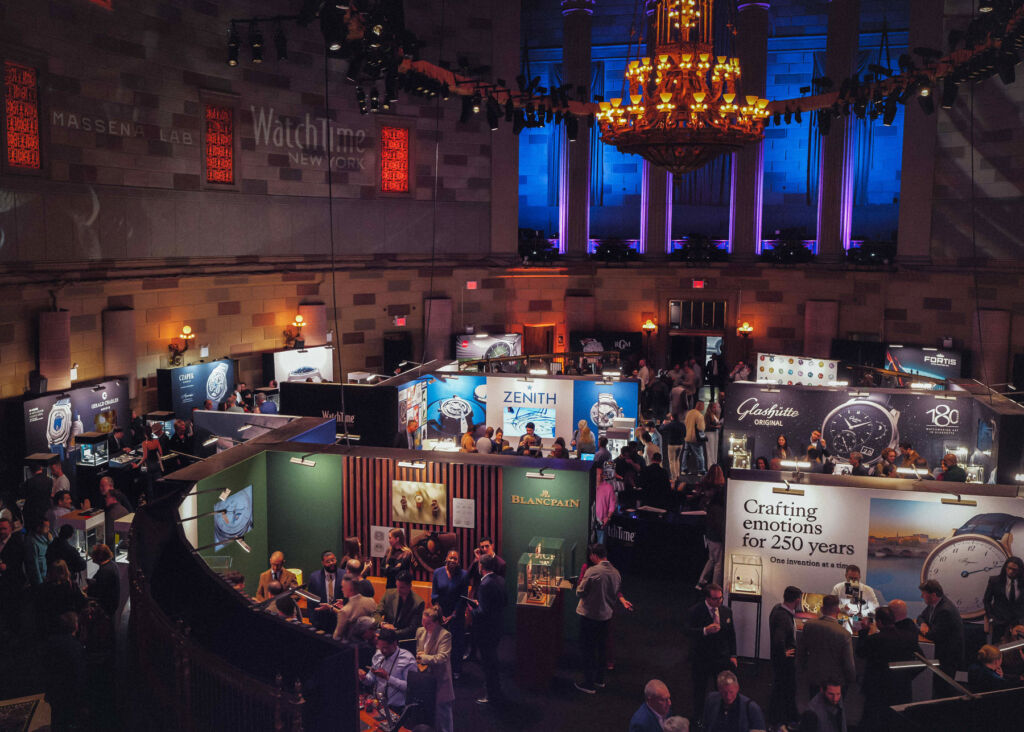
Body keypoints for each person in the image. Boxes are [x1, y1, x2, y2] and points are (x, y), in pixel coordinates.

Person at [574, 543, 631, 694]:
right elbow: (616, 592)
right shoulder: (616, 572)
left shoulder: (592, 571)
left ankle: (588, 683)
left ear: (594, 555)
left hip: (589, 616)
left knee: (587, 649)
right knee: (601, 649)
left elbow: (579, 592)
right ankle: (599, 680)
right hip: (606, 617)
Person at [856, 606, 922, 730]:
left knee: (872, 721)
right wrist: (907, 676)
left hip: (877, 689)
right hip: (901, 688)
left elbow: (860, 652)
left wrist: (863, 632)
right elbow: (922, 661)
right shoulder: (909, 638)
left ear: (879, 622)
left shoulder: (875, 640)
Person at [686, 583, 737, 718]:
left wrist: (733, 655)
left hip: (721, 659)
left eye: (721, 598)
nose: (719, 601)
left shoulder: (726, 611)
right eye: (715, 599)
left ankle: (720, 716)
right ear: (707, 598)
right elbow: (687, 632)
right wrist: (705, 631)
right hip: (701, 659)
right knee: (700, 691)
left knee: (721, 689)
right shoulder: (695, 611)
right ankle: (698, 720)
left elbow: (731, 635)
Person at [798, 595, 855, 697]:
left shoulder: (809, 626)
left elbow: (801, 652)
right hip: (834, 681)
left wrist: (802, 671)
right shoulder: (844, 633)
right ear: (838, 610)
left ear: (822, 609)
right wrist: (851, 680)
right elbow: (848, 663)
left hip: (813, 676)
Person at [467, 554, 506, 704]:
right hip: (497, 627)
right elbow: (504, 602)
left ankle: (491, 694)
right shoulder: (501, 580)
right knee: (493, 660)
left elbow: (482, 612)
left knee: (488, 663)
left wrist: (472, 608)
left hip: (485, 631)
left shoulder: (484, 585)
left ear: (481, 567)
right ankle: (495, 689)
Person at [39, 611, 87, 731]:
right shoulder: (75, 646)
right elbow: (78, 674)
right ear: (76, 626)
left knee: (56, 718)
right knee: (70, 721)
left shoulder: (50, 642)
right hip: (69, 693)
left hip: (54, 690)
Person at [918, 578, 965, 698]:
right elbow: (921, 617)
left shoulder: (945, 610)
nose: (921, 597)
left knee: (944, 689)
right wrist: (923, 624)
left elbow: (933, 635)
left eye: (924, 594)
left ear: (933, 595)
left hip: (948, 657)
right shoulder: (935, 604)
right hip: (941, 653)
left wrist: (922, 631)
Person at [415, 606, 455, 732]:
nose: (425, 626)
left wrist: (424, 658)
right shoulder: (420, 631)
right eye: (423, 622)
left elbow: (442, 658)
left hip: (440, 678)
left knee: (444, 713)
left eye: (428, 623)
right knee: (428, 712)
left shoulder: (445, 635)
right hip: (426, 678)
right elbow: (418, 651)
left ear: (437, 622)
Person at [768, 585, 802, 730]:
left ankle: (779, 719)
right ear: (798, 600)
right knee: (785, 690)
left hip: (778, 661)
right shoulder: (784, 618)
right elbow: (778, 639)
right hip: (784, 663)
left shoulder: (777, 609)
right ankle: (782, 721)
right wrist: (784, 653)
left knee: (779, 689)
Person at [359, 627, 416, 709]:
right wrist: (364, 678)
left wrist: (388, 678)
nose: (383, 651)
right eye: (380, 648)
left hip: (396, 707)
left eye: (385, 648)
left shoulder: (407, 660)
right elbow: (371, 679)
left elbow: (410, 687)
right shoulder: (379, 654)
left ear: (395, 644)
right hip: (377, 704)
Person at [431, 550, 468, 676]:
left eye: (455, 558)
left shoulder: (463, 575)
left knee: (457, 643)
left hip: (457, 615)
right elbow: (434, 595)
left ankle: (456, 670)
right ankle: (440, 669)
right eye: (450, 557)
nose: (452, 560)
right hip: (440, 614)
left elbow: (463, 597)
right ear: (446, 558)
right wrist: (440, 614)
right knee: (440, 642)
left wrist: (453, 615)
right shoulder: (437, 572)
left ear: (458, 561)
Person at [700, 670, 765, 732]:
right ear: (719, 690)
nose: (728, 697)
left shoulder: (751, 708)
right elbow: (705, 727)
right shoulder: (711, 700)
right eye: (724, 693)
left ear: (737, 688)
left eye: (731, 692)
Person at [374, 571, 424, 642]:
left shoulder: (418, 603)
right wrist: (383, 624)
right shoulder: (389, 594)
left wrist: (391, 634)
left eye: (402, 587)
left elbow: (412, 629)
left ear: (410, 586)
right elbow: (376, 613)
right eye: (397, 586)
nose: (398, 590)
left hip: (404, 640)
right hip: (385, 638)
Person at [984, 555, 1024, 642]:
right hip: (999, 622)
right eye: (1009, 568)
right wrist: (991, 617)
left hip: (1019, 624)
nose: (1010, 571)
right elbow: (986, 601)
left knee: (1017, 651)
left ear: (1020, 570)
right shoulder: (995, 581)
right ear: (1005, 567)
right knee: (997, 649)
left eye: (1014, 570)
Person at [696, 485, 725, 589]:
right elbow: (718, 525)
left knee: (712, 559)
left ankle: (701, 582)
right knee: (718, 563)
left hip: (709, 535)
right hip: (716, 537)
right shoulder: (719, 508)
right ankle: (715, 586)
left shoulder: (712, 506)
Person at [333, 574, 377, 641]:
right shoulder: (371, 601)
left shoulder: (345, 611)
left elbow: (337, 636)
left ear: (349, 589)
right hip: (371, 644)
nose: (342, 589)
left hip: (352, 647)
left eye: (343, 587)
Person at [308, 550, 342, 632]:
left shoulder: (344, 575)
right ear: (323, 563)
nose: (331, 563)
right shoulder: (314, 577)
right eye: (328, 561)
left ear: (336, 560)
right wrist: (312, 620)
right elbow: (310, 601)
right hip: (320, 620)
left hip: (339, 619)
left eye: (333, 560)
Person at [86, 543, 120, 618]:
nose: (91, 556)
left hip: (106, 607)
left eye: (93, 554)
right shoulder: (112, 564)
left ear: (99, 556)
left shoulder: (105, 571)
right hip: (111, 604)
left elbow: (99, 592)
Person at [21, 463, 54, 530]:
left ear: (31, 471)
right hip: (46, 509)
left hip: (32, 512)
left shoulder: (28, 482)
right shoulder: (50, 480)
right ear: (41, 468)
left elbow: (23, 495)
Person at [594, 462, 618, 544]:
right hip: (590, 522)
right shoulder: (589, 485)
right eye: (598, 474)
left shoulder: (608, 487)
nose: (600, 476)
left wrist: (608, 517)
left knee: (600, 546)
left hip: (601, 521)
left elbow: (612, 505)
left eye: (601, 474)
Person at [24, 517, 52, 586]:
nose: (48, 529)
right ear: (38, 527)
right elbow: (34, 564)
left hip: (44, 571)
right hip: (39, 574)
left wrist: (50, 541)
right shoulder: (32, 542)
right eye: (46, 527)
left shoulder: (43, 536)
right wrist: (39, 582)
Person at [683, 400, 706, 475]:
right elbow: (701, 428)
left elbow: (685, 423)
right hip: (695, 438)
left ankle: (684, 469)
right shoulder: (699, 415)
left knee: (685, 454)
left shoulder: (689, 413)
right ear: (700, 406)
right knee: (699, 455)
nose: (704, 407)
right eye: (703, 405)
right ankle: (701, 471)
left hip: (687, 437)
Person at [660, 417, 685, 481]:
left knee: (672, 461)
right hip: (680, 444)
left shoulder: (671, 424)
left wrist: (663, 423)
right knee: (677, 460)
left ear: (672, 417)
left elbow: (661, 428)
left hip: (672, 444)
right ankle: (678, 475)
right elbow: (685, 434)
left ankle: (674, 477)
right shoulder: (682, 424)